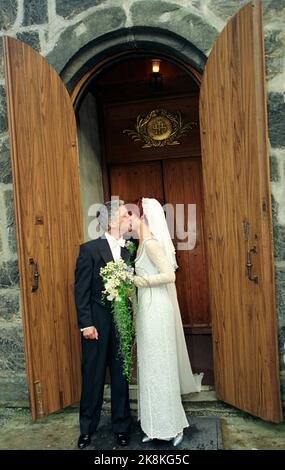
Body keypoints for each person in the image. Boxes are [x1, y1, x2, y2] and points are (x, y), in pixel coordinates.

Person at [129, 197, 204, 446]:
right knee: (149, 367)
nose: (127, 219)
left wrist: (140, 281)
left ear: (142, 217)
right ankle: (153, 423)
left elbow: (169, 275)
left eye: (130, 215)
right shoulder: (138, 244)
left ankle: (173, 426)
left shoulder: (151, 243)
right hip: (146, 312)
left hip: (157, 309)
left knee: (162, 366)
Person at [74, 200, 132, 449]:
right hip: (96, 326)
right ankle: (87, 428)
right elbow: (81, 291)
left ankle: (121, 426)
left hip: (122, 324)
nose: (128, 216)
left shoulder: (129, 250)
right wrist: (86, 324)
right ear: (110, 221)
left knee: (121, 377)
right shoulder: (89, 250)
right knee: (93, 377)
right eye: (123, 213)